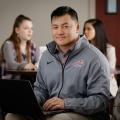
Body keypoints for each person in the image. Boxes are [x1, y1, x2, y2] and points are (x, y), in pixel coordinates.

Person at [5, 6, 110, 120]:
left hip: (87, 115)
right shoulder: (46, 56)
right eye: (55, 27)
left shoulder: (95, 58)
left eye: (65, 26)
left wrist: (66, 103)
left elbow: (101, 101)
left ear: (77, 27)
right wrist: (30, 101)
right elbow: (41, 89)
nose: (59, 32)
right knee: (12, 116)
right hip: (51, 112)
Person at [83, 18, 118, 97]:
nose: (85, 31)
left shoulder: (109, 49)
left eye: (89, 29)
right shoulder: (83, 48)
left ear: (97, 31)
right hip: (86, 86)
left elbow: (109, 72)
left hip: (105, 87)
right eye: (85, 29)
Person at [1, 14, 40, 79]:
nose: (30, 31)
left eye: (31, 29)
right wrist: (25, 66)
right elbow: (11, 64)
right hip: (10, 81)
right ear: (17, 30)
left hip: (27, 79)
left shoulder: (34, 47)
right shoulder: (8, 45)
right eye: (26, 28)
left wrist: (37, 64)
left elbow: (38, 62)